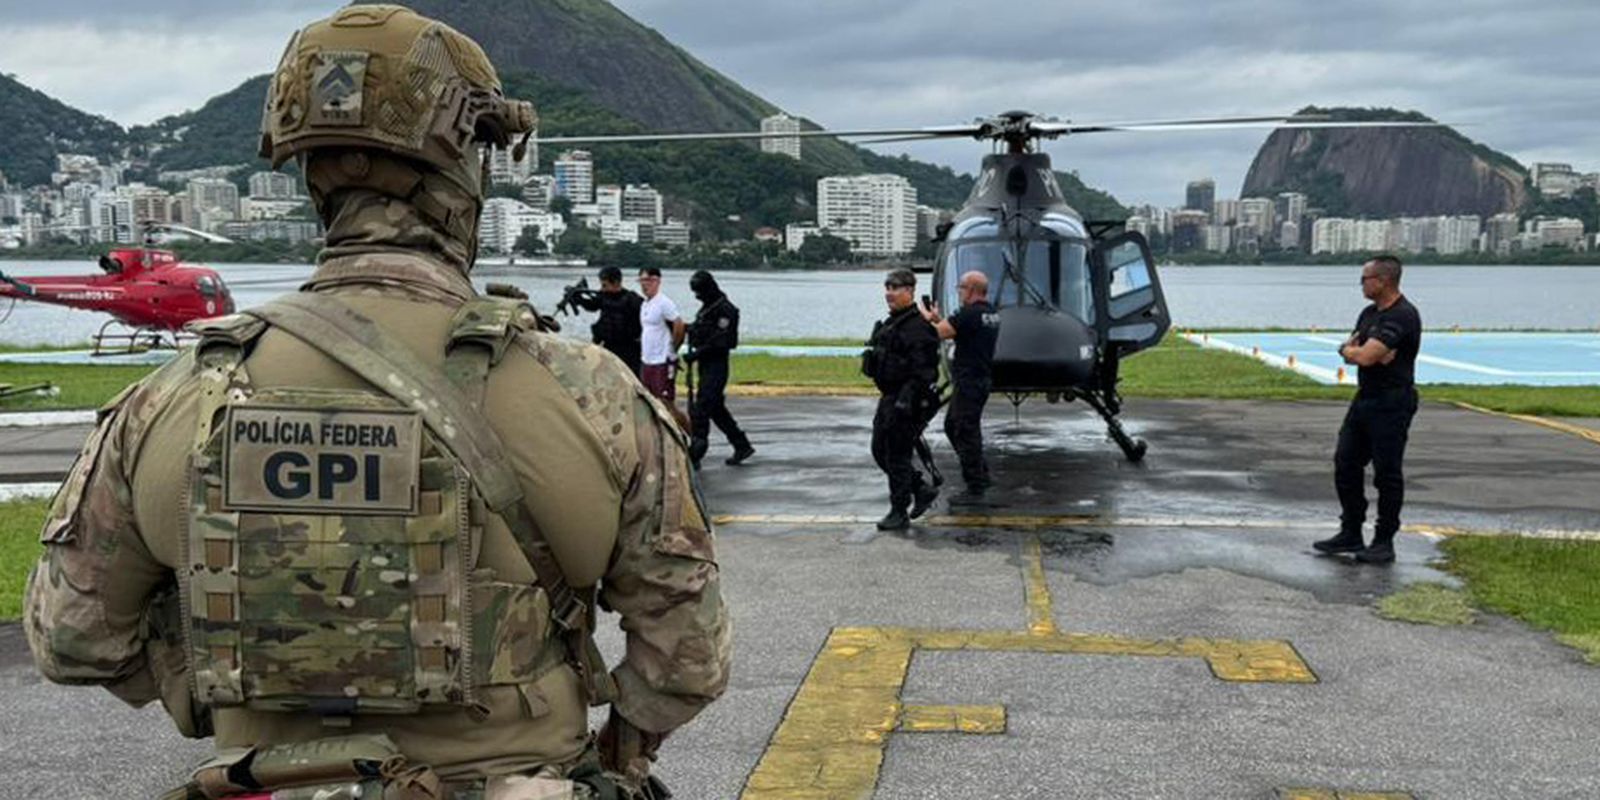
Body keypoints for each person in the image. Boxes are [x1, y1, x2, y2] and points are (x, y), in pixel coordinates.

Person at [22, 7, 729, 799]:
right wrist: (618, 755)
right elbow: (688, 657)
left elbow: (73, 636)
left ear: (309, 175)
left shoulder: (171, 397)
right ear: (468, 168)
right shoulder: (591, 394)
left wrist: (217, 678)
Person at [1314, 254, 1422, 564]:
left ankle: (1384, 540)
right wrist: (1353, 351)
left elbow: (1364, 356)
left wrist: (1359, 352)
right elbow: (1355, 351)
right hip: (1365, 398)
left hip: (1392, 401)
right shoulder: (1369, 314)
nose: (1361, 284)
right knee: (1345, 462)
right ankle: (1350, 530)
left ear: (1383, 281)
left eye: (1365, 279)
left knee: (1386, 473)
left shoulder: (1402, 316)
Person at [864, 268, 942, 530]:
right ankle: (920, 489)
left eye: (895, 288)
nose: (889, 293)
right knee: (880, 450)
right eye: (887, 288)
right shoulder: (894, 323)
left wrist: (905, 401)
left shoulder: (917, 327)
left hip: (906, 402)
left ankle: (899, 511)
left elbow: (925, 371)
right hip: (890, 397)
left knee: (897, 455)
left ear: (909, 291)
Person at [922, 270, 1000, 498]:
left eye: (961, 288)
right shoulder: (990, 313)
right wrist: (938, 318)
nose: (959, 293)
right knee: (954, 426)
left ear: (972, 290)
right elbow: (961, 331)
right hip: (979, 379)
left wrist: (924, 320)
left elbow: (937, 334)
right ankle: (980, 472)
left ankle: (976, 483)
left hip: (969, 381)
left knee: (965, 430)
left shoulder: (969, 314)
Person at [684, 270, 754, 468]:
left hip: (716, 365)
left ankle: (697, 451)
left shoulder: (726, 310)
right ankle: (741, 445)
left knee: (702, 408)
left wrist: (697, 354)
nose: (697, 296)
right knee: (716, 409)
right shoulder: (708, 308)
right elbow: (700, 330)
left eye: (699, 291)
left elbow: (723, 341)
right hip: (705, 364)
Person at [570, 265, 644, 376]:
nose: (602, 289)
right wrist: (578, 299)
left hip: (629, 349)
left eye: (605, 285)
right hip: (607, 345)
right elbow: (592, 306)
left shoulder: (633, 300)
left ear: (616, 282)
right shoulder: (604, 296)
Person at [637, 267, 687, 421]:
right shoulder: (645, 304)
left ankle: (689, 432)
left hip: (663, 360)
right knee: (650, 401)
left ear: (657, 281)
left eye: (647, 280)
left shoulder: (664, 303)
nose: (644, 285)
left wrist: (673, 348)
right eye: (641, 281)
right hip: (647, 359)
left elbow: (679, 325)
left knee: (666, 403)